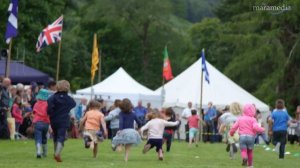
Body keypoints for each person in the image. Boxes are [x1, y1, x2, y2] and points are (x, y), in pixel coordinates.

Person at [47, 80, 76, 162]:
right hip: (63, 120)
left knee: (55, 136)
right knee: (61, 136)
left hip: (54, 120)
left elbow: (48, 110)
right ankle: (57, 153)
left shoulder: (52, 98)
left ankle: (56, 153)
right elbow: (73, 104)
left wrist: (52, 113)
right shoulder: (69, 99)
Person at [32, 89, 50, 158]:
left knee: (38, 138)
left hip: (37, 123)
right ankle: (45, 153)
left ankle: (39, 152)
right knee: (44, 137)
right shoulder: (48, 104)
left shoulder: (36, 104)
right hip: (46, 123)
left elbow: (34, 113)